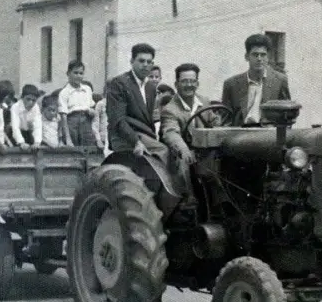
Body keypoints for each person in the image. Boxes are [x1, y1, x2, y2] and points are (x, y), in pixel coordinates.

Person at [161, 63, 221, 198]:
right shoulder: (170, 109)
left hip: (205, 151)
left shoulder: (204, 101)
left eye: (192, 81)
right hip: (183, 154)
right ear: (176, 84)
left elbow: (214, 123)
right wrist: (184, 150)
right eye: (184, 81)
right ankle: (188, 201)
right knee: (183, 163)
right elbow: (171, 133)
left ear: (197, 83)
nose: (189, 85)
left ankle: (224, 202)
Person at [106, 43, 168, 164]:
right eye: (141, 61)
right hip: (123, 136)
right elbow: (118, 120)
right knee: (163, 151)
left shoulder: (150, 87)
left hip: (145, 135)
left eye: (149, 62)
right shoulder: (119, 83)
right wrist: (136, 141)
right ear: (132, 61)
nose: (145, 65)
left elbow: (149, 120)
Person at [221, 33, 291, 126]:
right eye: (255, 55)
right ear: (247, 56)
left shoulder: (279, 81)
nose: (259, 59)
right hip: (239, 135)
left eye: (263, 55)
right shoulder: (231, 84)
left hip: (269, 136)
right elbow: (226, 120)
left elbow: (288, 116)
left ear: (268, 57)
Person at [59, 61, 96, 146]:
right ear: (68, 73)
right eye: (75, 73)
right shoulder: (64, 92)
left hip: (86, 121)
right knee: (73, 150)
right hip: (71, 122)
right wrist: (68, 139)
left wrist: (92, 111)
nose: (78, 76)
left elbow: (92, 107)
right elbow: (63, 117)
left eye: (81, 73)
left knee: (88, 148)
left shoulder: (87, 89)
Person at [10, 84, 43, 150]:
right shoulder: (15, 107)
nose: (31, 102)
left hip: (29, 134)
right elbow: (15, 127)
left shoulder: (36, 107)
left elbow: (38, 126)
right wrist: (21, 142)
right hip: (15, 135)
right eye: (28, 99)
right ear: (22, 97)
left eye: (34, 100)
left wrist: (37, 142)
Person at [91, 88, 110, 156]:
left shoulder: (120, 103)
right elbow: (95, 123)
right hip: (103, 139)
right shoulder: (101, 104)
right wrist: (98, 140)